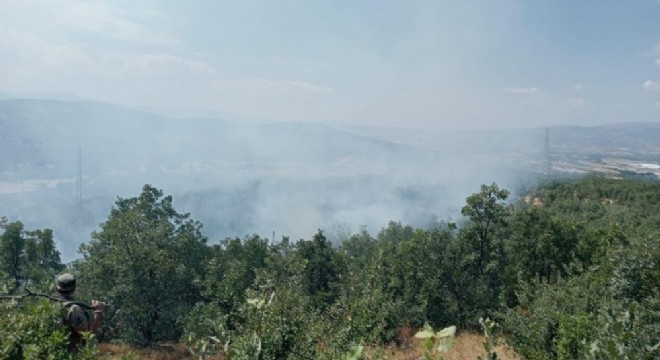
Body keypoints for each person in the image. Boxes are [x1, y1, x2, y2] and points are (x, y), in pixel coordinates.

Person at [54, 273, 107, 351]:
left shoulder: (49, 307)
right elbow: (87, 335)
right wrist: (98, 312)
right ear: (74, 289)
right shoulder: (73, 309)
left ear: (57, 288)